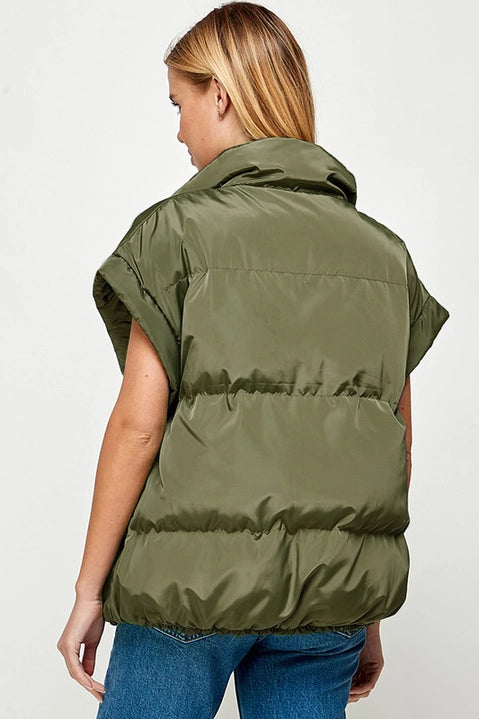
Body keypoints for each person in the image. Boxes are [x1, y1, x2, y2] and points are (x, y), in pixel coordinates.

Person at [56, 2, 450, 717]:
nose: (177, 129)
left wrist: (90, 591)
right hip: (328, 599)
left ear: (220, 94)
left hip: (188, 591)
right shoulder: (385, 255)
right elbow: (391, 446)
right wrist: (363, 610)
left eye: (178, 104)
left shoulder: (176, 232)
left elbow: (138, 426)